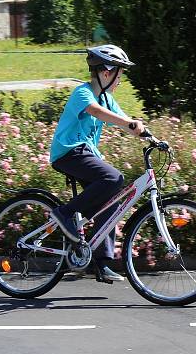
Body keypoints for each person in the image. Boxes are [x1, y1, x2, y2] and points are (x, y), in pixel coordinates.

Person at [48, 44, 145, 282]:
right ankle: (64, 213)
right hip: (68, 153)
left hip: (85, 154)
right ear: (105, 73)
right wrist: (128, 123)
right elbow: (97, 112)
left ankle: (101, 263)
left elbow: (124, 121)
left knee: (110, 202)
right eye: (118, 75)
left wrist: (150, 136)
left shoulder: (106, 98)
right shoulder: (84, 94)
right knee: (114, 178)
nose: (119, 81)